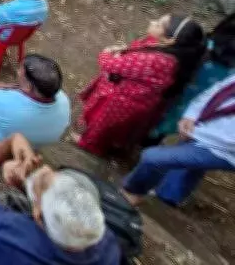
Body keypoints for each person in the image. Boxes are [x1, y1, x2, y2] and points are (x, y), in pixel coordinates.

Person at [0, 133, 119, 265]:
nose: (47, 170)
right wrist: (27, 183)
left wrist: (10, 143)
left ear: (38, 217)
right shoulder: (108, 245)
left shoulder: (9, 231)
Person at [76, 14, 206, 157]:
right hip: (140, 101)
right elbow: (138, 50)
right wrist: (125, 50)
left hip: (122, 100)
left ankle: (89, 144)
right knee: (119, 128)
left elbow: (110, 64)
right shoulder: (173, 54)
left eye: (158, 24)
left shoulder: (154, 60)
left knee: (103, 123)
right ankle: (113, 144)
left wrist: (106, 53)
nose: (152, 21)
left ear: (170, 40)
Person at [121, 70, 235, 207]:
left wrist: (197, 133)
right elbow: (215, 91)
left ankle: (133, 192)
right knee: (187, 165)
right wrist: (191, 116)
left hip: (222, 149)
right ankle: (168, 196)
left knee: (153, 158)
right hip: (204, 127)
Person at [149, 13, 235, 143]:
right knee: (178, 92)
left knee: (185, 102)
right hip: (213, 55)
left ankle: (155, 134)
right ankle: (153, 129)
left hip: (219, 66)